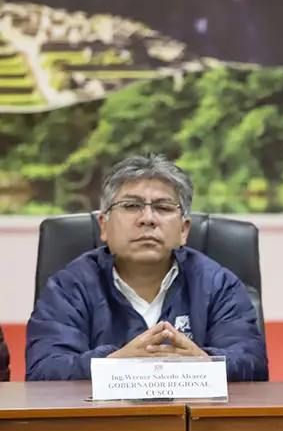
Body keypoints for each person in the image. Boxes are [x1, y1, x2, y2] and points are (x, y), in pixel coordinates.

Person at [25, 154, 268, 382]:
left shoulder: (217, 284)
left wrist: (204, 364)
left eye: (163, 207)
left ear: (184, 230)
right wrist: (113, 364)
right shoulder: (69, 286)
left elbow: (253, 365)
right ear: (104, 226)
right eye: (131, 205)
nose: (148, 218)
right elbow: (43, 370)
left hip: (195, 413)